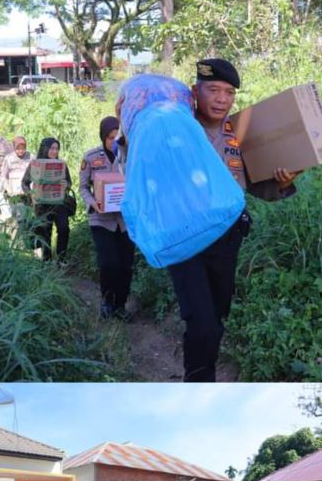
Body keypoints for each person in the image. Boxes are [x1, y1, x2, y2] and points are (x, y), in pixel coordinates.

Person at [167, 58, 300, 381]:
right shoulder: (177, 130)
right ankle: (199, 383)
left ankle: (204, 376)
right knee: (201, 321)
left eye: (229, 92)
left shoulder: (240, 134)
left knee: (217, 316)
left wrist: (282, 182)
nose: (221, 99)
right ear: (195, 91)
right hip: (185, 238)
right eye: (213, 90)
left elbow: (257, 186)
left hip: (227, 239)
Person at [79, 116, 134, 319]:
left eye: (117, 137)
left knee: (125, 265)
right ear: (103, 137)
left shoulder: (130, 156)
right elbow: (83, 187)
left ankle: (120, 305)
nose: (114, 142)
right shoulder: (91, 157)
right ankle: (107, 301)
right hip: (101, 220)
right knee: (108, 263)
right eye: (110, 138)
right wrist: (93, 202)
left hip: (125, 221)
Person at [21, 137, 72, 262]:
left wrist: (66, 185)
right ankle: (47, 260)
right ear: (45, 149)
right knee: (45, 233)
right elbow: (24, 183)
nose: (55, 151)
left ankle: (61, 259)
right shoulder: (36, 164)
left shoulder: (61, 165)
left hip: (59, 204)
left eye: (57, 149)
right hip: (42, 206)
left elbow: (69, 182)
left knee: (64, 229)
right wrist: (31, 194)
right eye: (52, 148)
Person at [0, 136, 31, 221]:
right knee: (20, 213)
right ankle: (19, 224)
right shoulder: (9, 158)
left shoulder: (31, 157)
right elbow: (3, 177)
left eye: (23, 148)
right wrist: (8, 189)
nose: (21, 151)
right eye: (18, 149)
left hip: (27, 190)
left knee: (28, 213)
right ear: (14, 148)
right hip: (14, 192)